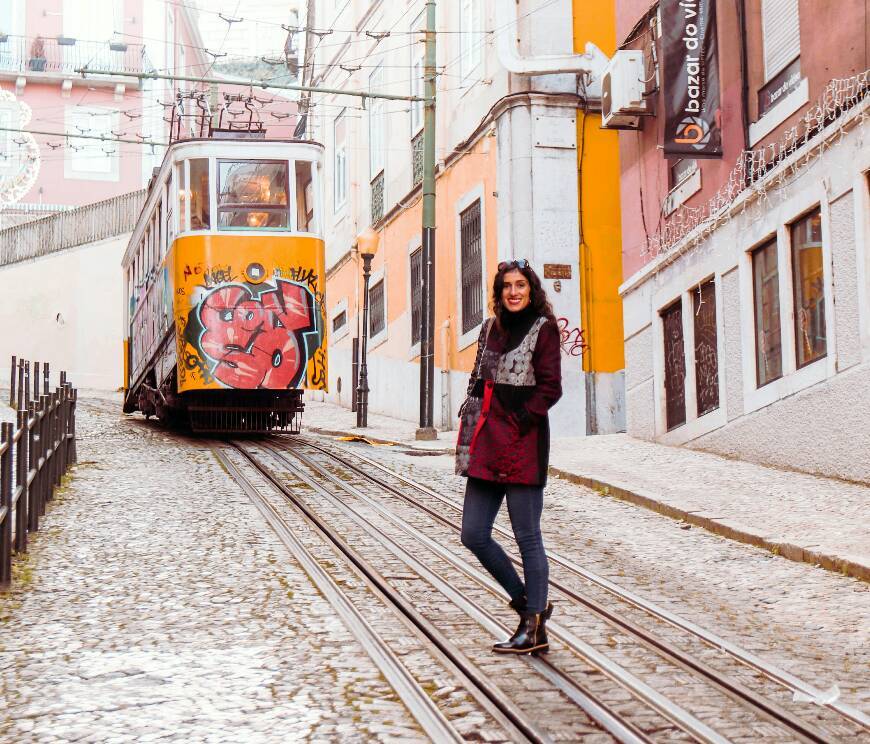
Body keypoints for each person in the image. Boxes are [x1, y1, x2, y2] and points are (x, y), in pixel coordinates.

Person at [456, 259, 562, 655]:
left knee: (527, 536)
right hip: (486, 441)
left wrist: (518, 419)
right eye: (507, 286)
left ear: (531, 290)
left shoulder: (544, 330)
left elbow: (550, 389)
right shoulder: (489, 329)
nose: (514, 292)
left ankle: (533, 629)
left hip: (522, 443)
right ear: (499, 293)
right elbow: (477, 379)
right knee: (473, 533)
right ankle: (528, 605)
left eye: (521, 285)